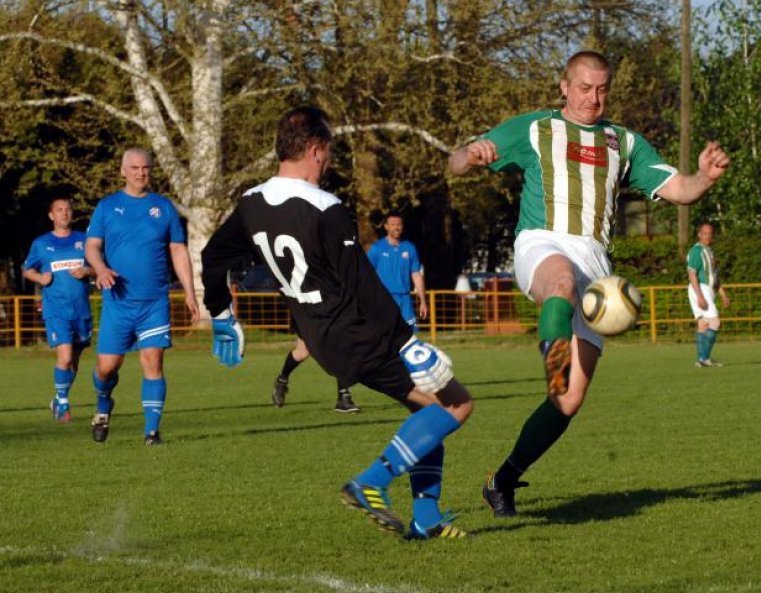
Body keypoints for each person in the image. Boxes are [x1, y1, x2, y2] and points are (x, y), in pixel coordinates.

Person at [448, 50, 730, 517]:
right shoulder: (534, 128)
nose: (593, 98)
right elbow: (458, 161)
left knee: (568, 400)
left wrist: (704, 176)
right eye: (584, 88)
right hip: (541, 244)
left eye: (602, 89)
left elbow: (680, 189)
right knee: (558, 283)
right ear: (564, 86)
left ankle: (502, 480)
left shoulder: (624, 142)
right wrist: (471, 155)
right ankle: (553, 358)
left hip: (597, 269)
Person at [201, 106, 473, 540]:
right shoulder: (325, 207)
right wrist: (408, 343)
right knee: (455, 404)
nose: (328, 163)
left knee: (426, 414)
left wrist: (220, 313)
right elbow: (361, 282)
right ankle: (371, 481)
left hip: (317, 335)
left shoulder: (251, 203)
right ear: (313, 149)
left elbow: (213, 257)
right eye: (327, 153)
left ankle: (426, 521)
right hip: (354, 332)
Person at [85, 148, 200, 446]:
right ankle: (103, 401)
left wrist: (189, 292)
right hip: (118, 302)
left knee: (153, 362)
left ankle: (151, 432)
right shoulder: (107, 207)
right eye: (134, 167)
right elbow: (92, 246)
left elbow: (178, 250)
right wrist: (100, 268)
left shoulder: (163, 208)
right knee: (107, 367)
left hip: (154, 303)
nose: (141, 172)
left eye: (145, 167)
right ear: (123, 171)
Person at [22, 197, 94, 422]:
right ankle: (63, 405)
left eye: (68, 209)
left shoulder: (85, 240)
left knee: (73, 363)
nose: (64, 213)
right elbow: (27, 270)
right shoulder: (41, 243)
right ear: (51, 215)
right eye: (59, 210)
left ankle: (57, 398)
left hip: (81, 310)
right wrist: (39, 278)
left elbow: (100, 267)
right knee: (63, 358)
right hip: (56, 310)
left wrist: (87, 271)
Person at [271, 319, 360, 413]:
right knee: (302, 352)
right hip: (308, 313)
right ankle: (282, 381)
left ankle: (343, 397)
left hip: (331, 314)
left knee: (340, 348)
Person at [367, 212, 428, 331]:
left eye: (399, 224)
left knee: (410, 336)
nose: (396, 227)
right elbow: (367, 274)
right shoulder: (377, 248)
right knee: (386, 335)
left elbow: (416, 275)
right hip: (385, 299)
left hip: (405, 300)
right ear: (386, 226)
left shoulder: (409, 248)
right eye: (393, 224)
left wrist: (423, 301)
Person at [687, 223, 730, 368]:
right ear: (699, 234)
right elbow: (692, 273)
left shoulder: (710, 251)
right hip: (700, 288)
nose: (708, 236)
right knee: (715, 322)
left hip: (708, 289)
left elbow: (715, 276)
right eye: (705, 233)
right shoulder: (696, 251)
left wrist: (723, 294)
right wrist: (699, 296)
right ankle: (704, 358)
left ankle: (702, 359)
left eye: (710, 233)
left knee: (703, 324)